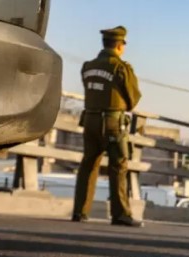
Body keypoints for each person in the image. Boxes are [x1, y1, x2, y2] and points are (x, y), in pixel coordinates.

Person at [71, 26, 143, 227]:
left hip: (90, 120)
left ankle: (80, 211)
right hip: (112, 122)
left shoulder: (88, 66)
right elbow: (132, 99)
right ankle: (120, 214)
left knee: (88, 165)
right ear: (120, 45)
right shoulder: (121, 68)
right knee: (118, 166)